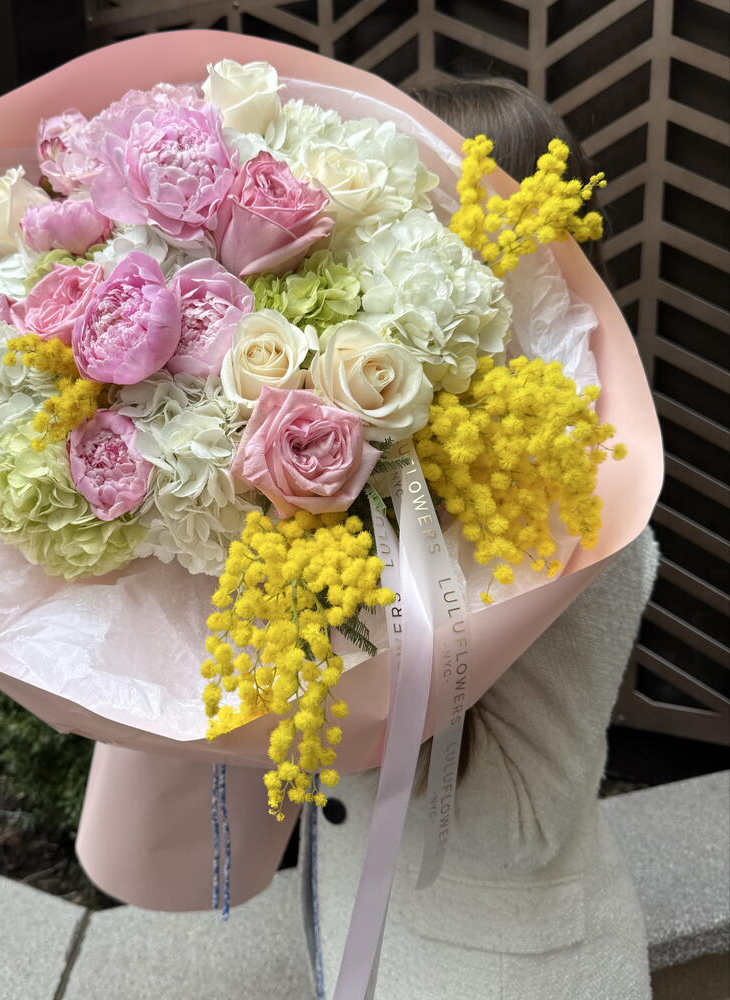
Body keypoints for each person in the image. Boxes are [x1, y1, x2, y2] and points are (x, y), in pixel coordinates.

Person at [302, 77, 659, 1000]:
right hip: (367, 934)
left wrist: (327, 650)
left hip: (504, 972)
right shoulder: (390, 459)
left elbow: (521, 825)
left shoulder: (578, 501)